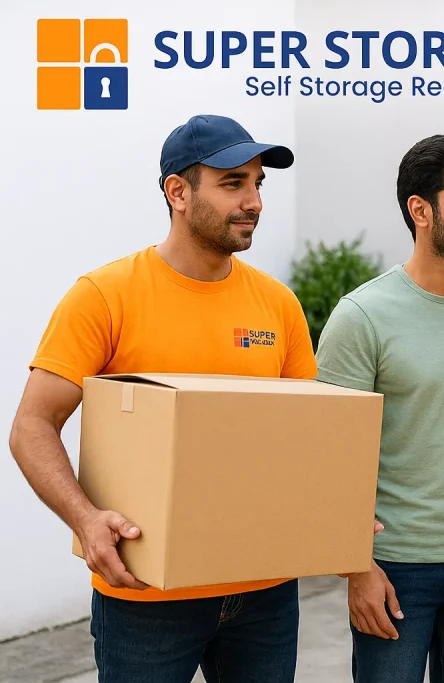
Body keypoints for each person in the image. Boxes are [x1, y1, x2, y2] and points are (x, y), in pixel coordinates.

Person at [7, 114, 337, 683]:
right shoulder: (104, 296)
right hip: (146, 597)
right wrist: (86, 520)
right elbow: (31, 426)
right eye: (233, 184)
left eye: (258, 184)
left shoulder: (277, 304)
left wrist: (333, 510)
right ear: (178, 192)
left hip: (263, 592)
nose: (254, 202)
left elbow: (301, 434)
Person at [313, 133, 444, 683]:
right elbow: (329, 455)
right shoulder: (361, 316)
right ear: (421, 210)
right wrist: (356, 568)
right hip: (394, 566)